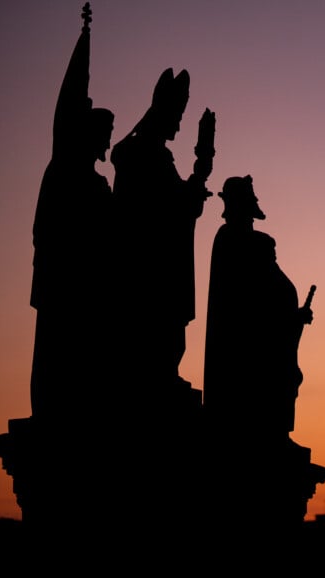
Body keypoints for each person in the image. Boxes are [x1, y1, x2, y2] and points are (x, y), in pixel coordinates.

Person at [30, 3, 115, 420]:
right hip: (67, 285)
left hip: (93, 289)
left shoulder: (98, 184)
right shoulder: (65, 172)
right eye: (105, 135)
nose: (108, 143)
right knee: (59, 357)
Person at [110, 68, 214, 396]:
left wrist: (200, 170)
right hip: (147, 263)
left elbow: (181, 202)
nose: (179, 124)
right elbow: (162, 205)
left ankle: (161, 374)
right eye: (176, 115)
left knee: (169, 326)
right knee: (151, 322)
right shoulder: (137, 154)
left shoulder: (159, 156)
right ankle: (149, 378)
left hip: (166, 259)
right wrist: (198, 173)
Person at [202, 175, 313, 444]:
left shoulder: (258, 241)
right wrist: (289, 317)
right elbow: (247, 299)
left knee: (284, 379)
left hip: (272, 334)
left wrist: (293, 317)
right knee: (269, 381)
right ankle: (262, 431)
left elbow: (270, 292)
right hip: (250, 339)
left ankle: (275, 431)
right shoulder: (232, 239)